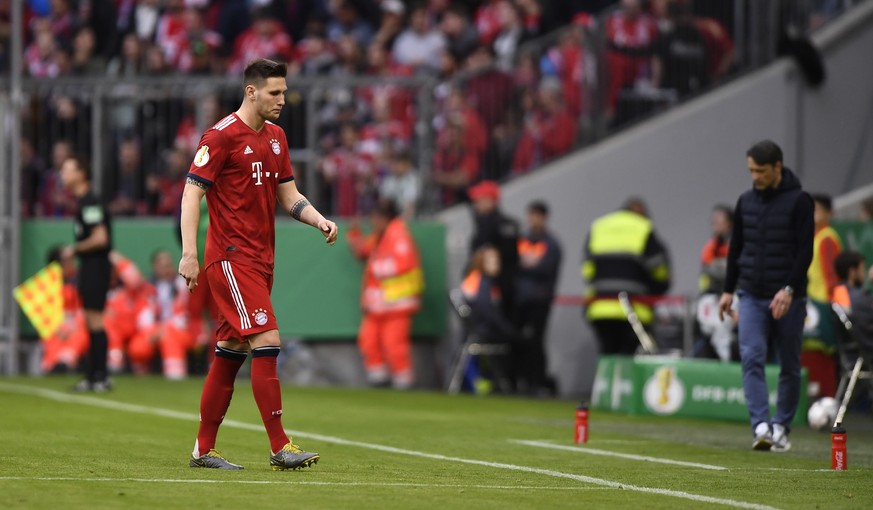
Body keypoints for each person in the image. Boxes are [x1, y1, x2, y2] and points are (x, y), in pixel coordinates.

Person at [178, 58, 338, 471]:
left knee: (230, 350)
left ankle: (203, 450)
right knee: (267, 339)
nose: (282, 100)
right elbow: (191, 193)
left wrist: (317, 218)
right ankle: (280, 446)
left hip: (262, 260)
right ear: (251, 92)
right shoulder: (220, 137)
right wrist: (190, 253)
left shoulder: (277, 138)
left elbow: (289, 196)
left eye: (284, 92)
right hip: (230, 259)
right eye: (274, 93)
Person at [718, 140, 814, 453]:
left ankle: (782, 427)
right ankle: (760, 425)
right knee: (752, 357)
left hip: (789, 298)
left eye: (760, 171)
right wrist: (727, 290)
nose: (755, 177)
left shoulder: (800, 201)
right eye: (751, 171)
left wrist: (789, 289)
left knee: (788, 363)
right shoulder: (745, 201)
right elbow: (736, 249)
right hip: (752, 295)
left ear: (777, 168)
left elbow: (805, 251)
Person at [346, 199, 424, 389]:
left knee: (394, 345)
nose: (372, 223)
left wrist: (377, 266)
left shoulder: (399, 234)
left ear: (384, 218)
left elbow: (403, 264)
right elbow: (362, 251)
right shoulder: (378, 235)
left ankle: (404, 385)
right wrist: (354, 235)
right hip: (377, 305)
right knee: (368, 340)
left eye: (374, 218)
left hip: (397, 303)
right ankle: (378, 381)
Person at [582, 197, 671, 355]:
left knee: (607, 355)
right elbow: (661, 271)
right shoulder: (644, 228)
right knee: (630, 358)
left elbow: (587, 270)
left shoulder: (599, 226)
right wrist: (654, 291)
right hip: (633, 308)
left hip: (600, 308)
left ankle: (606, 379)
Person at [59, 155, 113, 392]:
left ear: (81, 173)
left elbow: (101, 238)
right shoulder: (83, 202)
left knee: (95, 321)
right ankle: (93, 376)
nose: (63, 174)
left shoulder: (90, 202)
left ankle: (99, 376)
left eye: (67, 169)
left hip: (96, 266)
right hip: (91, 267)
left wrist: (74, 249)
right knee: (92, 321)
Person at [514, 200, 562, 396]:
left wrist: (528, 264)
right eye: (530, 215)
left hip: (539, 300)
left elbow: (545, 268)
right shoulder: (522, 240)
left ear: (544, 217)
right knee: (518, 340)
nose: (532, 220)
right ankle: (520, 380)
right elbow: (515, 265)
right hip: (520, 299)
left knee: (536, 341)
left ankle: (537, 382)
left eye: (536, 215)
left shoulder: (550, 243)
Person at [802, 193, 843, 399]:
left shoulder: (828, 238)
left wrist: (832, 303)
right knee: (808, 352)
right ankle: (811, 398)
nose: (813, 214)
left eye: (818, 210)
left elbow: (831, 274)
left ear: (829, 213)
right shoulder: (814, 236)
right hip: (810, 304)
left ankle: (826, 398)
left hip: (823, 305)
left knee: (822, 352)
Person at [468, 180, 520, 318]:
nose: (476, 204)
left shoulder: (504, 225)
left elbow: (508, 258)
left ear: (490, 200)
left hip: (500, 290)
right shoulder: (482, 223)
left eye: (479, 200)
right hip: (484, 287)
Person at [694, 204, 737, 361]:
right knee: (707, 335)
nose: (715, 224)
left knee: (727, 336)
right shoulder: (711, 245)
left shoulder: (737, 244)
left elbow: (734, 269)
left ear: (729, 223)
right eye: (714, 221)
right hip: (709, 299)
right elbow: (708, 267)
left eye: (719, 220)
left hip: (733, 299)